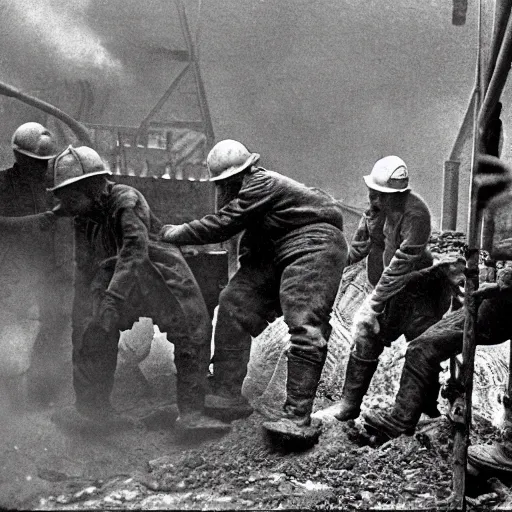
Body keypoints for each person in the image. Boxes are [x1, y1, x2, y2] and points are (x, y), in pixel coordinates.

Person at [160, 139, 348, 443]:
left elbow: (222, 225)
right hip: (277, 249)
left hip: (313, 242)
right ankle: (226, 391)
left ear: (240, 175)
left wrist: (172, 232)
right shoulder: (250, 191)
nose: (225, 190)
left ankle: (297, 418)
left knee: (304, 323)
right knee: (234, 301)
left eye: (226, 183)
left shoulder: (261, 182)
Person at [48, 145, 230, 435]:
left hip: (157, 271)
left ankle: (192, 414)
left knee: (192, 327)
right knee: (90, 330)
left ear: (90, 186)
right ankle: (93, 410)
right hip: (117, 274)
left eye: (71, 195)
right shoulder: (85, 216)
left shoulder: (126, 200)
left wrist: (112, 298)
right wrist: (87, 310)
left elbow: (135, 251)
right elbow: (84, 264)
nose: (66, 204)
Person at [331, 155, 462, 422]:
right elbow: (359, 248)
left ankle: (424, 411)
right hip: (388, 289)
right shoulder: (373, 212)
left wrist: (371, 305)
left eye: (381, 197)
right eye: (373, 195)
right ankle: (348, 405)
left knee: (424, 346)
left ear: (398, 195)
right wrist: (329, 270)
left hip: (419, 290)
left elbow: (400, 265)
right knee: (366, 336)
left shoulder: (416, 213)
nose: (375, 202)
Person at [363, 267, 512, 442]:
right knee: (424, 343)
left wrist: (502, 282)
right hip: (492, 301)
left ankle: (401, 422)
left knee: (421, 349)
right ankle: (427, 410)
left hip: (501, 307)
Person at [0, 122, 71, 408]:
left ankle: (40, 393)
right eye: (34, 162)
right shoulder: (2, 184)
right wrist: (33, 222)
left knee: (56, 321)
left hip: (46, 266)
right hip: (10, 267)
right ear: (19, 157)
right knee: (6, 325)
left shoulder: (51, 187)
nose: (40, 169)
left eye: (44, 163)